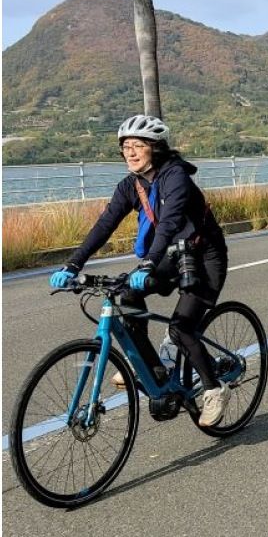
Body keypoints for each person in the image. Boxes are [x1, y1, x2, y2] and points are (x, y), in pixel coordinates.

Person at [49, 115, 231, 427]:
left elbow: (171, 222)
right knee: (125, 294)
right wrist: (73, 263)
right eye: (125, 147)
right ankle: (152, 367)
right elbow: (105, 224)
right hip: (171, 255)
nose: (130, 152)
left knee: (181, 328)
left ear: (155, 148)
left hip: (203, 257)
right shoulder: (130, 185)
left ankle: (215, 388)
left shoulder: (176, 177)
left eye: (138, 146)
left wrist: (148, 262)